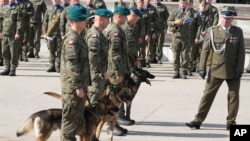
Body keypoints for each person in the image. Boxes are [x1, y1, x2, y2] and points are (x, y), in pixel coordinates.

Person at [186, 6, 245, 130]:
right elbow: (205, 51)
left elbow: (241, 51)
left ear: (232, 18)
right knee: (207, 95)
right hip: (216, 69)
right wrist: (201, 67)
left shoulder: (237, 31)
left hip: (233, 70)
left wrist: (240, 68)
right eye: (223, 17)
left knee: (234, 97)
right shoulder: (212, 31)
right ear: (220, 17)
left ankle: (231, 122)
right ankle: (198, 120)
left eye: (228, 18)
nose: (225, 20)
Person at [60, 6, 90, 141]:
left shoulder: (79, 37)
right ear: (76, 21)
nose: (86, 22)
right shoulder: (72, 40)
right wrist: (78, 86)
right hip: (73, 89)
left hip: (79, 87)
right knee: (69, 125)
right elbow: (72, 66)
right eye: (84, 19)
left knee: (75, 122)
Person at [103, 5, 130, 136]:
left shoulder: (116, 29)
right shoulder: (115, 31)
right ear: (119, 16)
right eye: (125, 16)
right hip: (114, 72)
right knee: (113, 100)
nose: (126, 19)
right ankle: (111, 126)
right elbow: (114, 54)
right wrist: (118, 73)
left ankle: (114, 123)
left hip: (113, 70)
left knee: (114, 99)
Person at [118, 6, 142, 126]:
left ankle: (122, 115)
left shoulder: (129, 28)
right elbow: (130, 49)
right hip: (124, 63)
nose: (137, 20)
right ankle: (120, 115)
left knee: (124, 89)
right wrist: (135, 60)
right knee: (122, 90)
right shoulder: (127, 29)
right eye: (137, 18)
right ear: (133, 16)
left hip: (126, 64)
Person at [85, 8, 113, 109]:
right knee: (92, 106)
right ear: (100, 19)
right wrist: (103, 71)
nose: (109, 22)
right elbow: (93, 57)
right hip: (95, 76)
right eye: (107, 19)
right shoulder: (94, 35)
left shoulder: (100, 34)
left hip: (98, 76)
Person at [167, 0, 190, 79]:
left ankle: (183, 71)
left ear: (186, 4)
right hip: (176, 37)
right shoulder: (174, 12)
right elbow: (168, 21)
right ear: (179, 3)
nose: (182, 4)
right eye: (181, 2)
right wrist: (175, 22)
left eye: (184, 3)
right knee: (176, 55)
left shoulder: (189, 12)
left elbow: (193, 21)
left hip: (186, 37)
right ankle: (176, 71)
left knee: (185, 55)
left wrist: (186, 21)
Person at [0, 0, 23, 76]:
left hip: (13, 34)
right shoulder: (3, 9)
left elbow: (19, 22)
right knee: (4, 51)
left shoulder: (17, 9)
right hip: (5, 33)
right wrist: (0, 32)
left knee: (13, 52)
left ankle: (13, 69)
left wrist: (18, 33)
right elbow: (1, 21)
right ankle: (7, 68)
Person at [43, 0, 64, 72]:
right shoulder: (49, 10)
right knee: (51, 50)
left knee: (59, 50)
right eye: (54, 0)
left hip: (59, 34)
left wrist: (63, 33)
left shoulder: (63, 10)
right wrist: (45, 33)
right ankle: (52, 65)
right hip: (50, 34)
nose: (55, 1)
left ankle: (58, 66)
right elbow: (45, 22)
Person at [144, 0, 158, 67]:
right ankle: (142, 61)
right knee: (141, 48)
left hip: (150, 30)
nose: (147, 1)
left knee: (150, 47)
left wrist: (155, 32)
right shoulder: (141, 8)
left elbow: (156, 21)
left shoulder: (153, 9)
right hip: (141, 31)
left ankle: (147, 61)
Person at [154, 0, 169, 64]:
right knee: (152, 44)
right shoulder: (152, 7)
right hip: (153, 29)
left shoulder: (163, 7)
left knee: (160, 43)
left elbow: (167, 18)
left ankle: (159, 58)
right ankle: (152, 58)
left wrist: (165, 27)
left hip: (161, 28)